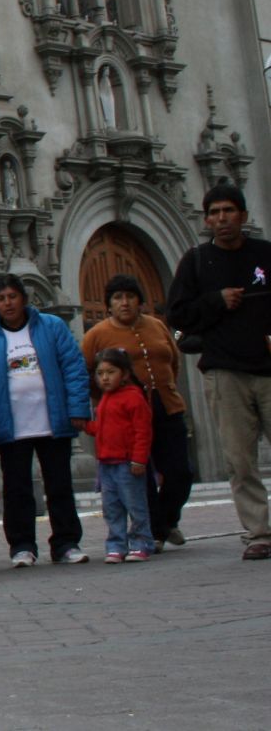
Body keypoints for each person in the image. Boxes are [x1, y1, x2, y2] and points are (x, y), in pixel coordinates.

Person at [165, 182, 271, 561]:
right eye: (214, 213)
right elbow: (175, 317)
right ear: (206, 219)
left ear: (243, 215)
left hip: (268, 368)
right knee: (240, 460)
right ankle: (259, 532)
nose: (222, 219)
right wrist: (215, 301)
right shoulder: (196, 262)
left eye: (229, 211)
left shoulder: (264, 254)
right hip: (225, 372)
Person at [0, 274, 90, 567]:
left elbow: (73, 368)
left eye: (12, 296)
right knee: (17, 488)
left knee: (59, 485)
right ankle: (22, 546)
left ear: (24, 298)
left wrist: (78, 409)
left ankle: (66, 543)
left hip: (53, 420)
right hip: (10, 426)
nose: (7, 303)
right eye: (1, 298)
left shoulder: (52, 327)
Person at [82, 273, 192, 549]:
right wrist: (106, 403)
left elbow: (173, 361)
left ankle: (165, 522)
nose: (125, 303)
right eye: (118, 298)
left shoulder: (157, 325)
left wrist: (166, 387)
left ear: (139, 301)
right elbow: (85, 372)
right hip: (125, 415)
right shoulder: (97, 335)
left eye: (130, 297)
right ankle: (154, 531)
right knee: (139, 474)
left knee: (180, 472)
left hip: (166, 406)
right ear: (108, 304)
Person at [88, 348, 154, 563]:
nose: (105, 378)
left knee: (135, 505)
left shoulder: (133, 397)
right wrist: (87, 426)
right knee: (112, 507)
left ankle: (141, 542)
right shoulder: (106, 398)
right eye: (100, 373)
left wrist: (139, 459)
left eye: (111, 372)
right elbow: (104, 428)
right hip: (107, 462)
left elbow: (142, 431)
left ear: (124, 374)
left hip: (127, 462)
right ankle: (116, 544)